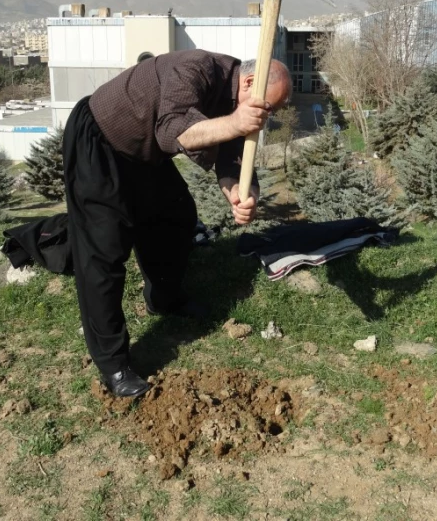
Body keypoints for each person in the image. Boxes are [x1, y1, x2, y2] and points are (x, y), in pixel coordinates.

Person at [62, 49, 292, 397]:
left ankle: (164, 298)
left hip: (144, 154)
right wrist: (238, 122)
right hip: (100, 140)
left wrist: (243, 195)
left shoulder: (238, 99)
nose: (267, 117)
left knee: (177, 217)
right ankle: (114, 365)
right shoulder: (196, 68)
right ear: (249, 83)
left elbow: (232, 159)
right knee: (104, 253)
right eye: (269, 109)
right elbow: (173, 131)